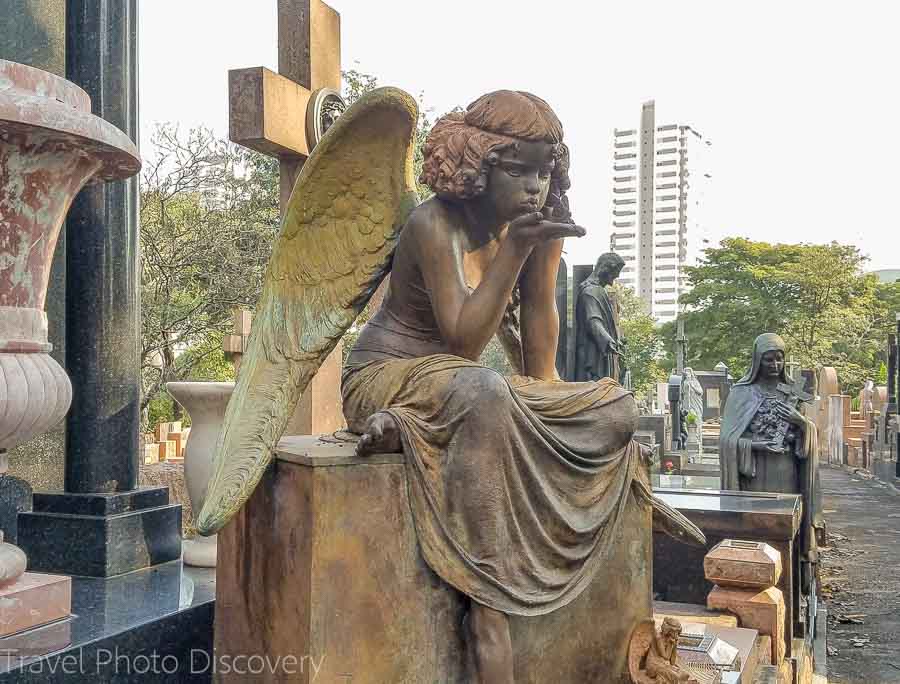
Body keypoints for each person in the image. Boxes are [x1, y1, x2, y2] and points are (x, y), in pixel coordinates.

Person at [341, 90, 643, 683]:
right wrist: (514, 250)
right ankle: (487, 604)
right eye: (519, 169)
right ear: (477, 164)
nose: (535, 185)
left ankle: (418, 435)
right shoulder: (436, 222)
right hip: (389, 374)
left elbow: (539, 352)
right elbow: (461, 341)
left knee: (616, 409)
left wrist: (554, 397)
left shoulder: (533, 230)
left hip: (467, 387)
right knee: (483, 392)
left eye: (544, 170)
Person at [720, 333, 823, 585]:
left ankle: (788, 582)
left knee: (783, 528)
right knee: (758, 530)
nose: (775, 365)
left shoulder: (792, 393)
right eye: (769, 360)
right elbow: (727, 441)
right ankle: (757, 579)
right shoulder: (742, 393)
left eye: (779, 359)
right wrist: (756, 444)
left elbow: (807, 438)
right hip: (755, 475)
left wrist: (800, 422)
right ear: (757, 361)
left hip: (786, 472)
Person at [574, 253, 626, 382]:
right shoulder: (590, 291)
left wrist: (614, 340)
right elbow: (593, 320)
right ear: (605, 269)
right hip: (591, 353)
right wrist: (607, 339)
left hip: (599, 350)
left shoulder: (598, 290)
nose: (612, 281)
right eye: (613, 275)